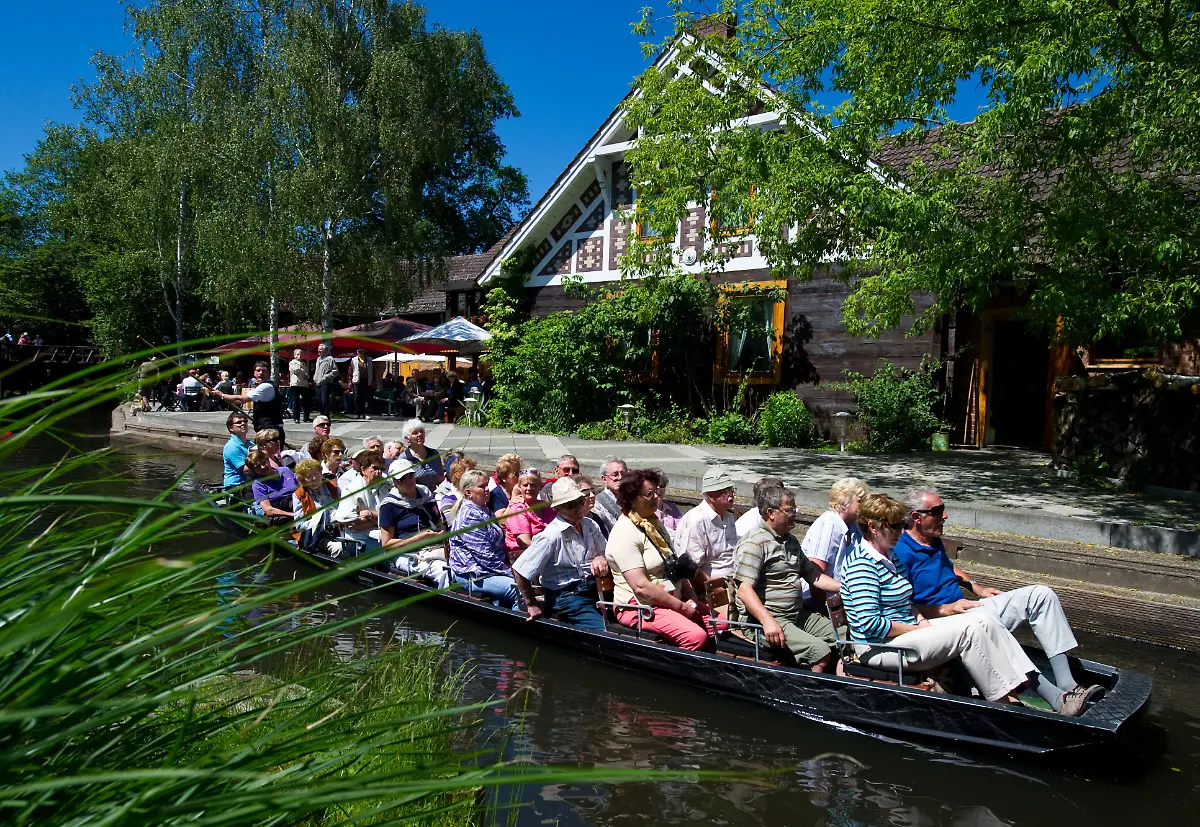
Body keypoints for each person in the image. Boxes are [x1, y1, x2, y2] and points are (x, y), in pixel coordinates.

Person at [841, 494, 1089, 714]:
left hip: (908, 634)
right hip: (881, 647)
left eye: (900, 524)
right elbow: (871, 625)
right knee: (971, 629)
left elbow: (907, 602)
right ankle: (1006, 706)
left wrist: (922, 620)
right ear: (873, 527)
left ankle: (1048, 696)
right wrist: (919, 628)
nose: (900, 530)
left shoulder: (890, 555)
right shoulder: (863, 565)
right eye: (895, 526)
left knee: (984, 618)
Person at [733, 486, 843, 672]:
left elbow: (813, 575)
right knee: (819, 652)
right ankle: (811, 688)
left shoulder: (790, 541)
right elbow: (744, 590)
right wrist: (767, 620)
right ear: (771, 513)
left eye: (794, 509)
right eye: (789, 510)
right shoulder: (754, 543)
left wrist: (846, 587)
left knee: (845, 636)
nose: (795, 515)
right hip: (765, 620)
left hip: (795, 614)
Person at [605, 469, 714, 651]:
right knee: (696, 637)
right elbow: (641, 587)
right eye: (649, 494)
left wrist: (692, 597)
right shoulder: (624, 533)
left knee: (720, 625)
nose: (657, 496)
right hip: (641, 606)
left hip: (671, 596)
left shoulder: (653, 524)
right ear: (632, 499)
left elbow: (674, 565)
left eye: (656, 491)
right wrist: (682, 607)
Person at [513, 477, 609, 630]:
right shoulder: (550, 536)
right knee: (606, 630)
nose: (577, 508)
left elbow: (605, 552)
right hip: (566, 598)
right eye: (571, 505)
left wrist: (600, 557)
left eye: (580, 502)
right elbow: (520, 571)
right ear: (557, 509)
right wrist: (531, 604)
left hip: (595, 589)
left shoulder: (590, 525)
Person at [674, 467, 740, 617]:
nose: (731, 494)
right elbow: (689, 569)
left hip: (734, 584)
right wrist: (718, 588)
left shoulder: (729, 517)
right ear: (711, 496)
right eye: (725, 491)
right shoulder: (697, 521)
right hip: (712, 592)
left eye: (731, 489)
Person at [449, 469, 519, 607]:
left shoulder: (483, 510)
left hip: (489, 571)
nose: (487, 489)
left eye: (487, 485)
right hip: (472, 575)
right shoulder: (470, 516)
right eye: (482, 486)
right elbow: (484, 555)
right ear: (468, 492)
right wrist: (510, 573)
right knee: (519, 590)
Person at [800, 477, 868, 610]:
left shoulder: (854, 526)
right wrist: (825, 610)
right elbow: (816, 576)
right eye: (860, 501)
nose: (865, 506)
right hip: (817, 602)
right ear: (843, 504)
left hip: (844, 598)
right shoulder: (829, 526)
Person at [378, 464, 449, 586]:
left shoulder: (425, 493)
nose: (408, 481)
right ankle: (447, 595)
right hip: (407, 554)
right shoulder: (389, 506)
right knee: (444, 570)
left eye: (410, 476)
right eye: (402, 479)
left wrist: (441, 530)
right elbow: (386, 544)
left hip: (434, 547)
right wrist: (418, 539)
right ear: (394, 482)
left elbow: (437, 521)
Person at [212, 360, 287, 444]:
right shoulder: (262, 386)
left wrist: (222, 395)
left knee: (263, 453)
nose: (261, 373)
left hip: (270, 432)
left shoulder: (266, 386)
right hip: (267, 431)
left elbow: (241, 400)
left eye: (264, 371)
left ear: (269, 373)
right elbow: (238, 401)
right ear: (254, 373)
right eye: (258, 370)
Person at [333, 449, 387, 553]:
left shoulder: (387, 486)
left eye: (381, 469)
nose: (379, 472)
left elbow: (395, 516)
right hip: (360, 541)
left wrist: (370, 515)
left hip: (385, 536)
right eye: (375, 468)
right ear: (363, 469)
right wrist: (383, 521)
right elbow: (351, 524)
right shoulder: (351, 489)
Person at [501, 470, 549, 562]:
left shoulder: (546, 507)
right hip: (523, 558)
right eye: (525, 485)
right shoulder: (518, 509)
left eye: (533, 485)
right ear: (520, 487)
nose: (529, 488)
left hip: (543, 554)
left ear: (540, 487)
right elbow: (525, 543)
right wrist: (551, 554)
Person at [246, 450, 299, 525]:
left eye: (263, 463)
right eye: (258, 466)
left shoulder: (285, 470)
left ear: (268, 460)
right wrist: (292, 515)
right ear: (254, 471)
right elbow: (268, 510)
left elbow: (302, 487)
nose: (263, 467)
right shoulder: (258, 485)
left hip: (297, 501)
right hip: (282, 510)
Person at [395, 419, 443, 490]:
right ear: (407, 438)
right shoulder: (404, 459)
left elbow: (441, 478)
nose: (420, 434)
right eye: (415, 433)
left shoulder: (434, 453)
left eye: (421, 431)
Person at [591, 457, 626, 537]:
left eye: (623, 474)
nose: (620, 477)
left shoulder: (634, 498)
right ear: (604, 479)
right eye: (615, 474)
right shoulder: (598, 504)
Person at [221, 411, 253, 491]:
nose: (243, 424)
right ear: (231, 428)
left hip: (250, 482)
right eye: (239, 422)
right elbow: (245, 470)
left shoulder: (250, 444)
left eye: (245, 421)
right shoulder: (232, 447)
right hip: (236, 486)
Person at [653, 471, 684, 538]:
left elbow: (684, 528)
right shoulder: (646, 511)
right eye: (655, 485)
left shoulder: (673, 508)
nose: (658, 488)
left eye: (662, 485)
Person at [313, 342, 339, 417]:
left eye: (321, 349)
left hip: (325, 383)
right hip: (318, 383)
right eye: (318, 349)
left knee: (325, 401)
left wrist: (326, 377)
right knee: (319, 402)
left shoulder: (330, 359)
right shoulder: (318, 359)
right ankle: (322, 417)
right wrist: (315, 377)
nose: (319, 351)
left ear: (326, 350)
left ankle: (326, 417)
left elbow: (335, 371)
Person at [288, 348, 313, 423]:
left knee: (306, 401)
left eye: (301, 355)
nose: (300, 356)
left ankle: (306, 417)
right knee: (296, 401)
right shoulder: (292, 363)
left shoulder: (304, 363)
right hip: (295, 384)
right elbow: (296, 371)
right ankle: (296, 417)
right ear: (295, 355)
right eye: (298, 354)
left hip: (304, 384)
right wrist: (302, 369)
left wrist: (307, 375)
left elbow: (306, 372)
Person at [350, 347, 373, 419]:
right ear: (357, 352)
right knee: (357, 397)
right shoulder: (353, 360)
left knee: (366, 398)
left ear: (364, 351)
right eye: (359, 351)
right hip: (357, 380)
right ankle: (357, 413)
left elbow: (373, 371)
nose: (360, 353)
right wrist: (350, 381)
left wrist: (373, 381)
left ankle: (365, 413)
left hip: (367, 381)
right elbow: (350, 371)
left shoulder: (369, 360)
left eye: (362, 351)